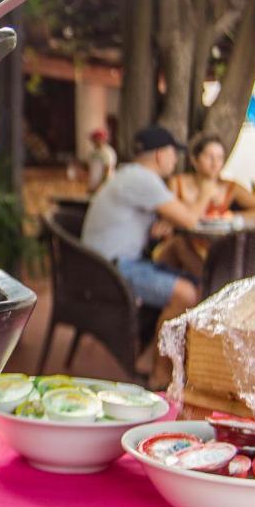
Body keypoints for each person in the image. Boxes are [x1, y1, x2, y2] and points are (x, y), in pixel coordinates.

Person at [81, 125, 219, 386]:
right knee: (185, 293)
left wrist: (163, 220)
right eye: (173, 154)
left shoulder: (130, 175)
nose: (175, 160)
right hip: (111, 270)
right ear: (160, 155)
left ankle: (169, 361)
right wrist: (206, 193)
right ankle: (160, 375)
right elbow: (190, 220)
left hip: (104, 265)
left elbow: (170, 218)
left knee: (187, 272)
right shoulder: (142, 179)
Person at [154, 132, 255, 278]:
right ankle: (210, 284)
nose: (215, 163)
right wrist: (205, 195)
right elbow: (174, 220)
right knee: (181, 244)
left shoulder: (229, 187)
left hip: (213, 248)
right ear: (194, 160)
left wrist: (231, 216)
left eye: (219, 158)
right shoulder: (177, 183)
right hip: (177, 249)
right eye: (209, 157)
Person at [85, 128, 117, 193]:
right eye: (93, 139)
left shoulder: (107, 153)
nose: (95, 141)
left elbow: (107, 171)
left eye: (97, 139)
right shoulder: (92, 153)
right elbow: (91, 169)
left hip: (105, 187)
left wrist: (99, 187)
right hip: (93, 186)